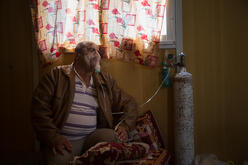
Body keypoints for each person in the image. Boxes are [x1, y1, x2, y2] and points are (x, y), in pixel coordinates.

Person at [31, 41, 138, 165]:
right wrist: (53, 137)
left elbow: (129, 103)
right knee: (57, 162)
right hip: (65, 140)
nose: (97, 54)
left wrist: (125, 126)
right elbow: (38, 109)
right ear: (77, 56)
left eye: (98, 51)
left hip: (92, 138)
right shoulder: (57, 75)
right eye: (91, 50)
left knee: (115, 138)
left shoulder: (105, 80)